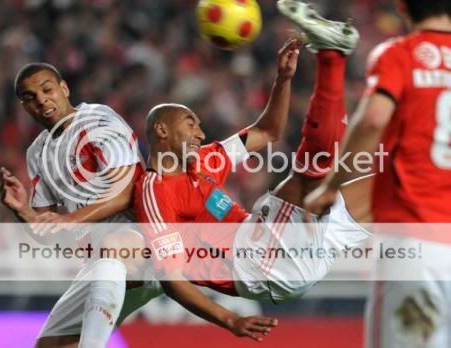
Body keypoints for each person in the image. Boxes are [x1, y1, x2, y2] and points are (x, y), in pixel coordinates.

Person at [134, 3, 371, 340]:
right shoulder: (156, 190)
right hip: (258, 264)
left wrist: (283, 80)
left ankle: (333, 53)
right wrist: (229, 319)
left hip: (270, 243)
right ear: (161, 130)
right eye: (190, 124)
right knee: (312, 176)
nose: (201, 134)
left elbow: (266, 132)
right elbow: (170, 276)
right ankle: (331, 55)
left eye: (200, 126)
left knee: (387, 187)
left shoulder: (204, 160)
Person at [303, 0, 451, 347]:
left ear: (403, 7)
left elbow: (372, 119)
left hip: (416, 241)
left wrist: (330, 185)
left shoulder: (400, 55)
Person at [0, 62, 161, 348]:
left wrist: (68, 220)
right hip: (101, 266)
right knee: (49, 345)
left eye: (47, 90)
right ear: (24, 106)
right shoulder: (37, 153)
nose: (42, 100)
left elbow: (124, 195)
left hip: (143, 238)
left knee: (113, 244)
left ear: (64, 88)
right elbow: (50, 236)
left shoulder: (98, 120)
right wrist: (22, 210)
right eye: (30, 97)